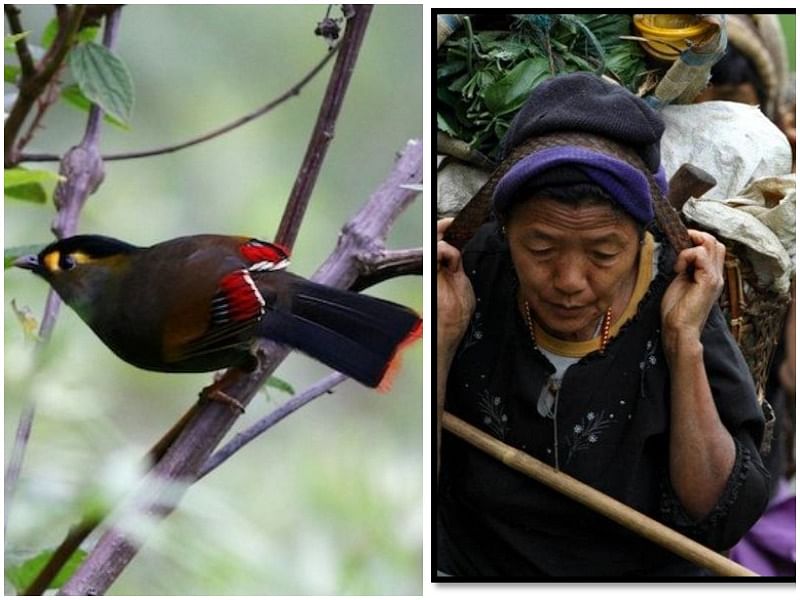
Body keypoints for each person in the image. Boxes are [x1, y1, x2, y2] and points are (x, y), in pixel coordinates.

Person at [436, 73, 770, 577]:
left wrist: (683, 342)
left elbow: (715, 513)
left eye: (604, 252)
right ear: (505, 231)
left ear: (640, 239)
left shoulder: (675, 292)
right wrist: (444, 337)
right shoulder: (472, 274)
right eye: (541, 249)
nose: (569, 281)